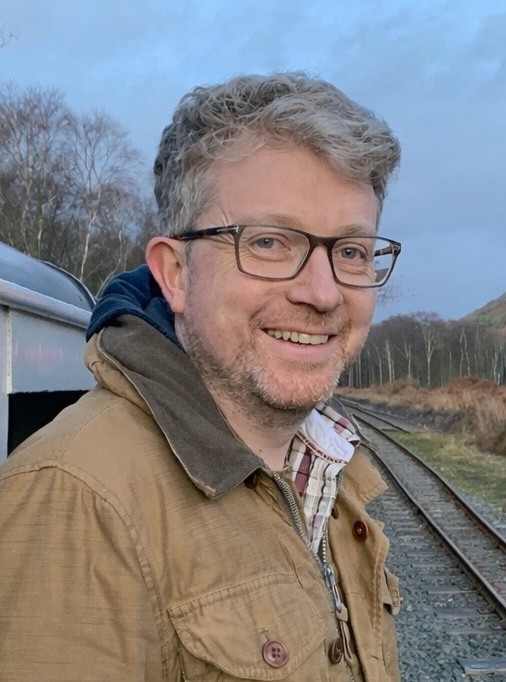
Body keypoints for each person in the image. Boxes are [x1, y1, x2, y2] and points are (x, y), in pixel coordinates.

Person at [0, 72, 402, 681]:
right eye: (268, 242)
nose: (323, 294)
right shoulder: (75, 503)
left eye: (350, 251)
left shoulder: (324, 468)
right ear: (176, 274)